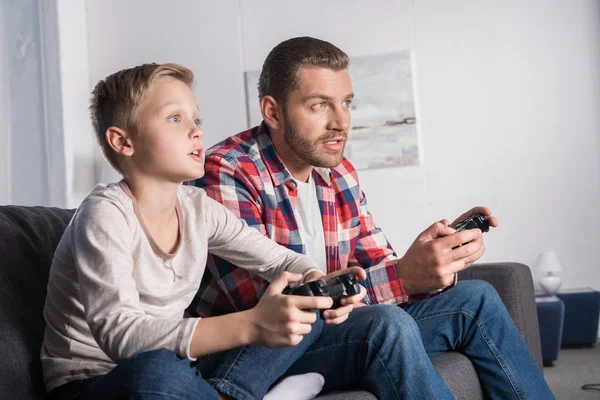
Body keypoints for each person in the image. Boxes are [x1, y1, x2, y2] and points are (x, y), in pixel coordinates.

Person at [191, 37, 556, 399]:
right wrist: (403, 277)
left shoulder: (338, 174)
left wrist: (431, 262)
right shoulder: (227, 169)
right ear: (272, 111)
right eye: (319, 105)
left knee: (477, 298)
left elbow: (378, 265)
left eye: (346, 103)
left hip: (332, 329)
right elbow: (275, 305)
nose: (340, 122)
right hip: (253, 349)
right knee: (386, 324)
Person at [40, 62, 365, 400]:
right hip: (94, 380)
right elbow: (123, 336)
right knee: (158, 372)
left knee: (299, 306)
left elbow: (279, 260)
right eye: (175, 119)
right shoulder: (105, 214)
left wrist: (317, 281)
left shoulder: (198, 207)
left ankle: (230, 393)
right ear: (122, 141)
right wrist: (253, 324)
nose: (196, 132)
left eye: (197, 120)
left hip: (176, 364)